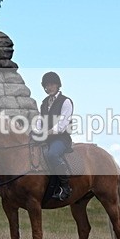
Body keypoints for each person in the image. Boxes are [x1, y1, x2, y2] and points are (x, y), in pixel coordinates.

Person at [34, 71, 74, 200]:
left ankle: (65, 187)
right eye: (46, 85)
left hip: (61, 139)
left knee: (52, 154)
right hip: (46, 138)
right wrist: (35, 131)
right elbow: (40, 121)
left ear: (57, 85)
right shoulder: (44, 102)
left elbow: (62, 125)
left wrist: (47, 133)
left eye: (51, 84)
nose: (48, 87)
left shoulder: (66, 101)